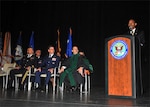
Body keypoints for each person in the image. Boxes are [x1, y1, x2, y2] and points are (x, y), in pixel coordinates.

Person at [126, 19, 145, 96]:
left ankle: (138, 90)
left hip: (138, 57)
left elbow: (142, 43)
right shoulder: (126, 34)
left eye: (131, 23)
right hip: (128, 58)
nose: (129, 24)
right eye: (129, 23)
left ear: (135, 24)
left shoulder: (140, 33)